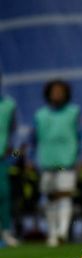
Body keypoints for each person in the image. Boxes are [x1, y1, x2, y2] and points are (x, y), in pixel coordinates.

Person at [32, 79, 82, 247]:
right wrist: (29, 159)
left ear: (66, 93)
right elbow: (32, 140)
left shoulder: (74, 112)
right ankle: (52, 233)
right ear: (48, 93)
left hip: (66, 163)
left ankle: (62, 232)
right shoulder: (40, 115)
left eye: (60, 91)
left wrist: (81, 159)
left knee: (65, 196)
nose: (57, 94)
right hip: (46, 163)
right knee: (50, 199)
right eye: (54, 91)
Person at [0, 71, 19, 247]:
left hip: (1, 159)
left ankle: (5, 232)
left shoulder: (8, 105)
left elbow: (13, 130)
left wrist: (12, 149)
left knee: (4, 195)